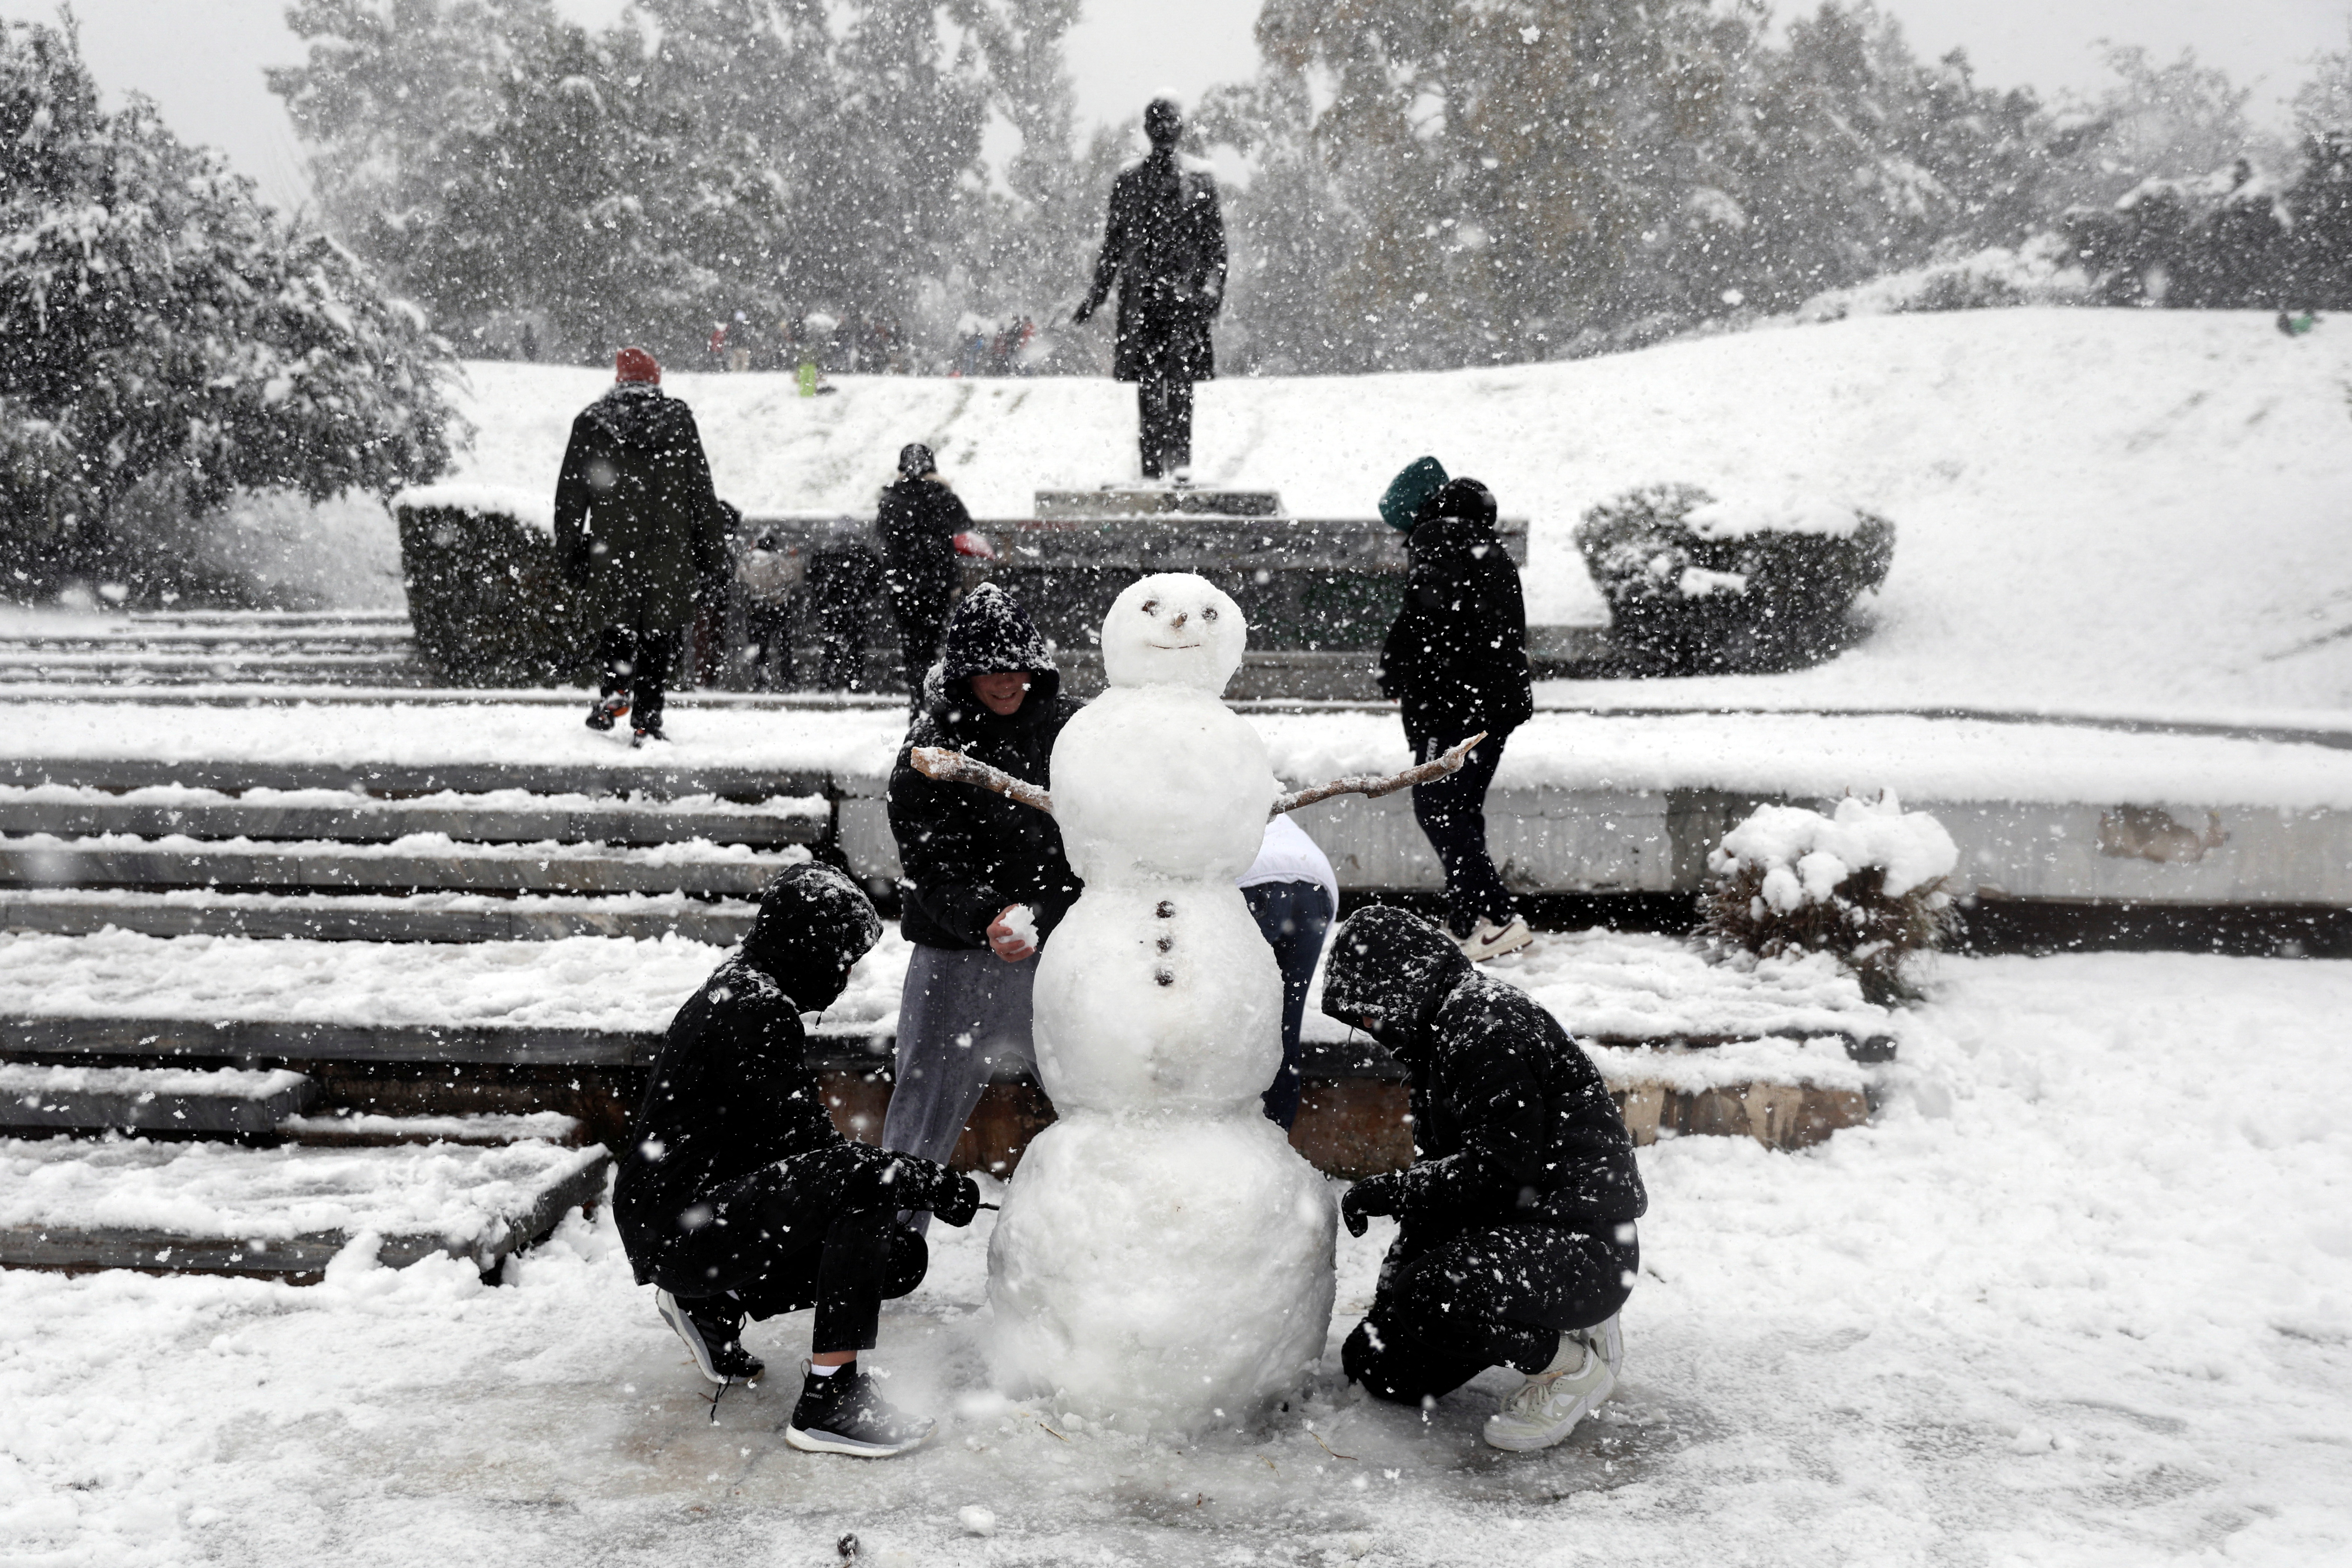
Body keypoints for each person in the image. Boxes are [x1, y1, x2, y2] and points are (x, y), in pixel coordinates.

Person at [613, 863, 981, 1458]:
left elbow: (800, 1147)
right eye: (839, 960)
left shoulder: (748, 989)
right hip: (676, 1227)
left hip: (686, 1218)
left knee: (898, 1256)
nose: (840, 978)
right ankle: (830, 1398)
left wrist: (909, 1183)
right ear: (805, 947)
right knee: (860, 1188)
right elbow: (827, 1166)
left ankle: (714, 1303)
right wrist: (932, 1183)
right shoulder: (751, 1011)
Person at [1319, 905, 1646, 1453]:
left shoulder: (1485, 1029)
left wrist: (1388, 1194)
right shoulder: (1437, 1037)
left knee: (1433, 1296)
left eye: (1371, 1017)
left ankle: (1569, 1366)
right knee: (1381, 1369)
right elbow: (1439, 1188)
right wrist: (1388, 1301)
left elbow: (1497, 1175)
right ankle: (1539, 1320)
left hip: (1581, 1245)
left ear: (1403, 987)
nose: (1372, 1033)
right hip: (1510, 1236)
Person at [880, 584, 1084, 1219]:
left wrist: (1042, 919)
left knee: (1092, 1099)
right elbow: (930, 871)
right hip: (954, 956)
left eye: (1014, 665)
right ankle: (889, 1236)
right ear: (962, 673)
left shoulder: (1077, 734)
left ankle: (1109, 1236)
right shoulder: (926, 754)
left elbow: (1098, 846)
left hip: (1059, 950)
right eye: (987, 670)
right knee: (921, 1105)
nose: (1004, 681)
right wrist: (985, 918)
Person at [1376, 463, 1536, 960]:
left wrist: (1396, 668)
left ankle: (1498, 917)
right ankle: (1467, 921)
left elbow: (1427, 622)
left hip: (1450, 705)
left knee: (1437, 809)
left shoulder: (1438, 539)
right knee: (1461, 811)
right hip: (1494, 703)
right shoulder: (1488, 552)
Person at [554, 347, 728, 745]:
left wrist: (569, 552)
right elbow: (701, 491)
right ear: (655, 381)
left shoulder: (592, 423)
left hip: (612, 548)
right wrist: (713, 553)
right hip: (669, 549)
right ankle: (648, 718)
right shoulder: (679, 421)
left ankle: (615, 688)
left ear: (619, 380)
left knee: (617, 620)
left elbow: (570, 497)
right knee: (658, 633)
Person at [1072, 96, 1228, 480]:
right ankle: (1152, 467)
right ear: (1147, 129)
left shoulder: (1201, 179)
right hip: (1143, 300)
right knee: (1148, 385)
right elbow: (1113, 245)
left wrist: (1210, 290)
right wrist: (1096, 296)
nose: (1163, 128)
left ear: (1180, 127)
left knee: (1181, 382)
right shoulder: (1128, 180)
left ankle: (1181, 464)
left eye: (1170, 121)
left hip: (1185, 298)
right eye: (1156, 122)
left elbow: (1216, 247)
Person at [1240, 813, 1340, 1130]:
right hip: (1313, 882)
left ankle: (1232, 1143)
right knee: (1284, 1031)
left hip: (1249, 880)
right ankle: (1277, 1140)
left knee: (1228, 1026)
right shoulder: (1244, 782)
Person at [874, 443, 972, 701]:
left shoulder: (891, 499)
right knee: (930, 641)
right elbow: (963, 524)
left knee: (909, 641)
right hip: (936, 582)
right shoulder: (942, 497)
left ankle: (915, 696)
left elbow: (882, 533)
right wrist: (944, 489)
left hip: (901, 583)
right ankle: (928, 695)